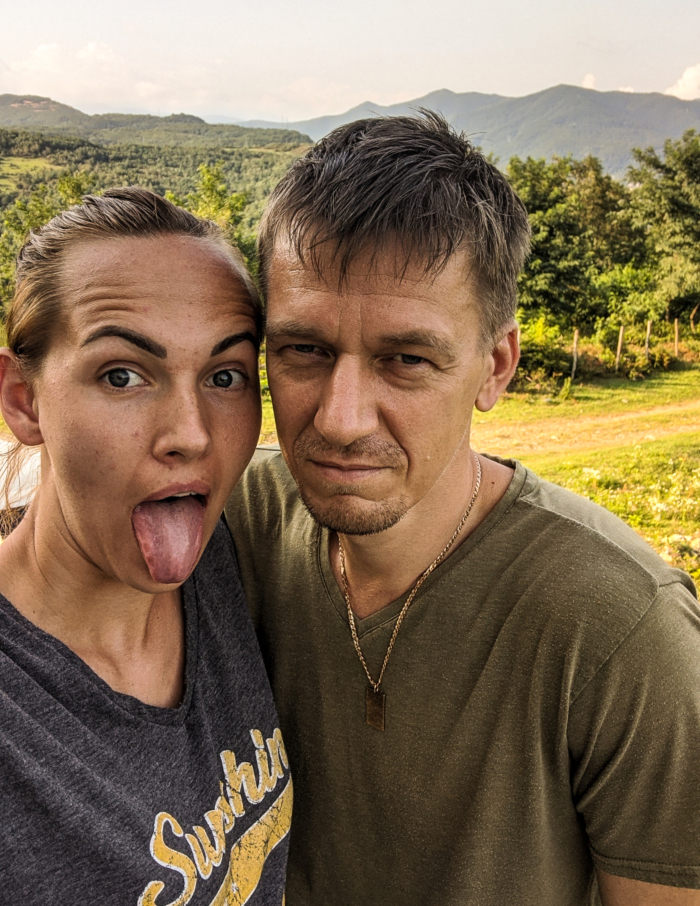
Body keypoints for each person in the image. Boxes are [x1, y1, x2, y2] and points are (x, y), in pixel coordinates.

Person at [225, 114, 700, 906]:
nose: (341, 419)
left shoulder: (622, 628)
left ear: (495, 366)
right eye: (304, 350)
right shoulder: (236, 521)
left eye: (405, 360)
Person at [0, 189, 291, 905]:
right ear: (23, 400)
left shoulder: (226, 560)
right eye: (122, 375)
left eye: (225, 376)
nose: (191, 432)